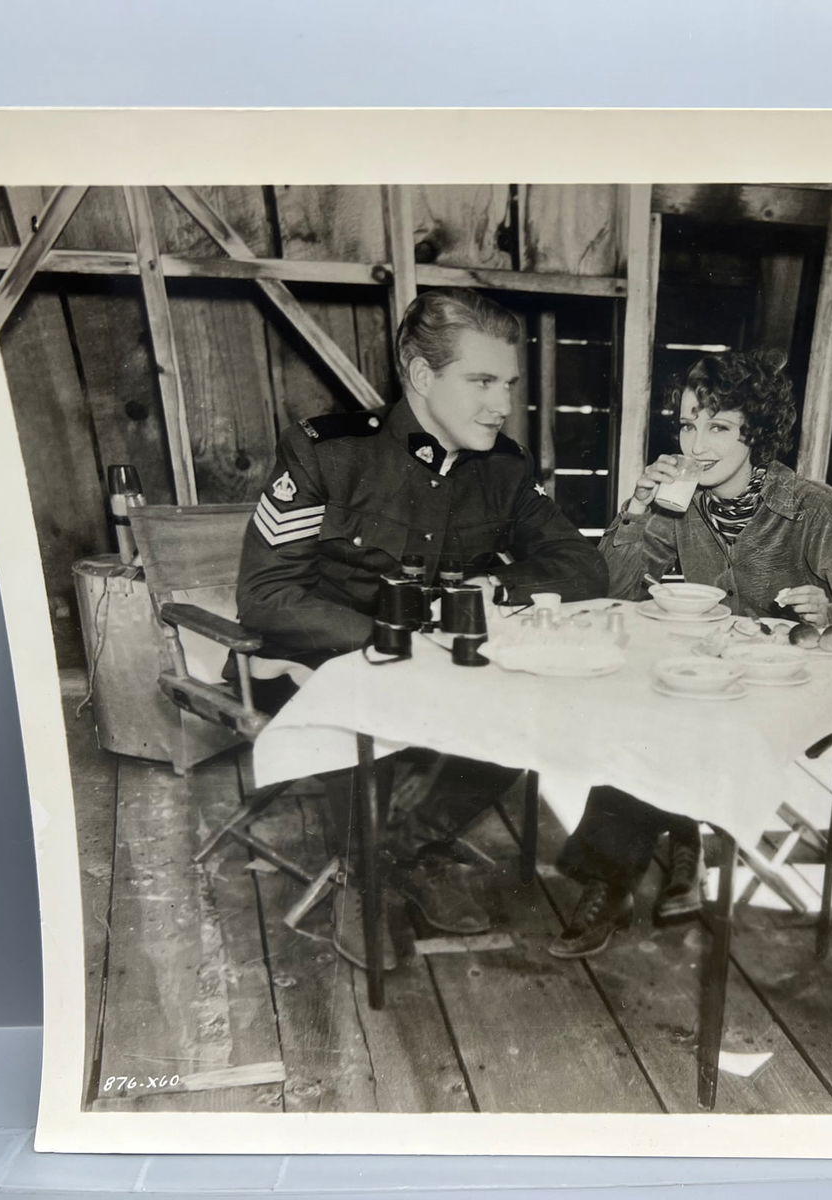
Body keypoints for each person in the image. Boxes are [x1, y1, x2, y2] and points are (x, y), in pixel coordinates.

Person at [235, 287, 608, 935]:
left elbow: (582, 567)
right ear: (420, 374)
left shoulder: (504, 470)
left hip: (446, 672)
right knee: (379, 703)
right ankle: (375, 869)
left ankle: (394, 851)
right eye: (482, 381)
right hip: (329, 669)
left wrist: (485, 592)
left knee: (538, 710)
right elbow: (265, 596)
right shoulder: (329, 452)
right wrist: (391, 638)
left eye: (509, 382)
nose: (501, 404)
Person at [547, 350, 832, 958]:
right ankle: (681, 840)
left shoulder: (813, 506)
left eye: (717, 426)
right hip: (704, 675)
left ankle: (616, 876)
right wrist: (635, 509)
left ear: (755, 435)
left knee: (663, 720)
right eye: (687, 425)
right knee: (650, 705)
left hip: (786, 688)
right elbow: (613, 588)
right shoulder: (681, 498)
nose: (696, 443)